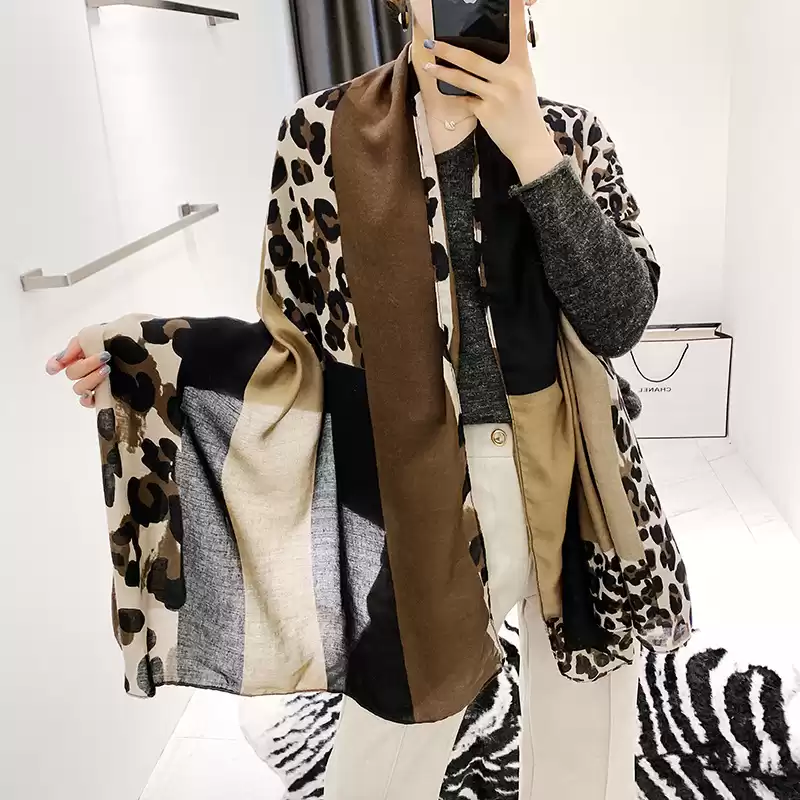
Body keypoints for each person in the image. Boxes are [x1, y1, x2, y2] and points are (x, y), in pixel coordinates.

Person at [46, 2, 689, 799]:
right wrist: (146, 357)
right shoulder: (318, 137)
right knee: (383, 757)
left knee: (587, 750)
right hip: (416, 491)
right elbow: (293, 349)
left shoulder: (571, 134)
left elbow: (620, 320)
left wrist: (531, 147)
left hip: (575, 480)